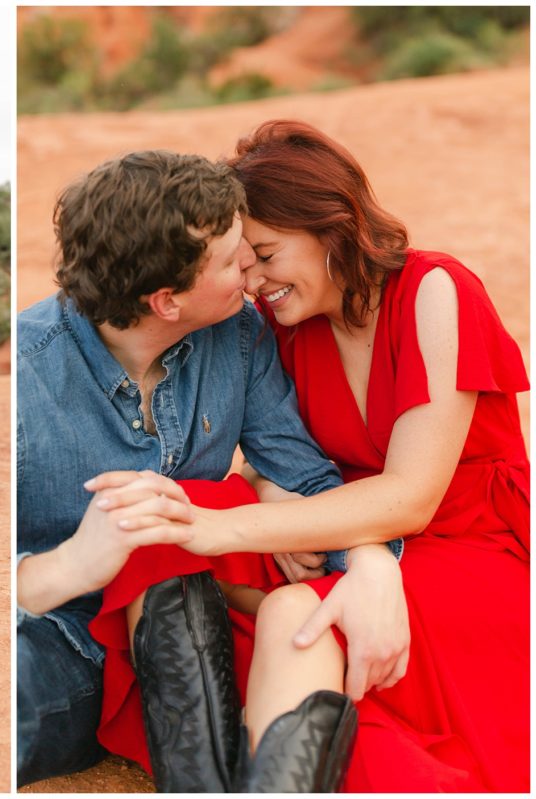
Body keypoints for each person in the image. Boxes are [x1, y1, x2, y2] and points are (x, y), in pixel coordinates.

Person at [90, 121, 529, 792]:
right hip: (339, 531)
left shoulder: (437, 290)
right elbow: (269, 461)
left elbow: (411, 496)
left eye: (265, 253)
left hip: (467, 547)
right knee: (158, 518)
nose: (252, 279)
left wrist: (239, 529)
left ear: (329, 226)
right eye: (243, 261)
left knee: (288, 611)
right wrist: (271, 500)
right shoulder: (281, 322)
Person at [16, 151, 406, 791]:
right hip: (64, 638)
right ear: (166, 300)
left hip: (186, 632)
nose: (253, 263)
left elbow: (303, 477)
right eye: (233, 260)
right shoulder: (30, 378)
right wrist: (70, 565)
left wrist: (370, 561)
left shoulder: (239, 334)